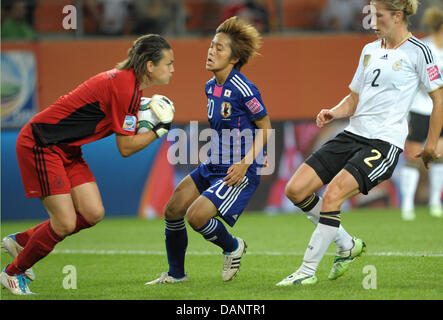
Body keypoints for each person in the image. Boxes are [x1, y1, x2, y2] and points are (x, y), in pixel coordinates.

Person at [277, 0, 443, 286]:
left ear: (398, 16)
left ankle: (306, 272)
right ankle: (347, 244)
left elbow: (438, 98)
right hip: (353, 134)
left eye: (378, 16)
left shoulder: (421, 51)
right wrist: (334, 111)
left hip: (384, 144)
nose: (373, 22)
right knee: (295, 190)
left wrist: (430, 144)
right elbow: (354, 98)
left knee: (332, 197)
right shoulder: (368, 51)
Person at [0, 34, 176, 295]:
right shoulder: (125, 87)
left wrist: (146, 111)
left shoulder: (128, 85)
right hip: (42, 144)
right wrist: (159, 130)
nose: (173, 69)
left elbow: (122, 112)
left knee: (92, 213)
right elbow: (126, 148)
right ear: (150, 65)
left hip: (67, 149)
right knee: (64, 223)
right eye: (169, 63)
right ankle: (12, 273)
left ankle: (21, 241)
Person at [146, 16, 271, 284]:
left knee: (196, 216)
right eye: (212, 45)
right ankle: (176, 275)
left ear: (234, 58)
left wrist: (245, 164)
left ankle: (233, 246)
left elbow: (265, 128)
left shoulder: (244, 89)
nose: (211, 52)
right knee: (173, 208)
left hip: (239, 170)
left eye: (219, 48)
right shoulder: (210, 87)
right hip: (214, 164)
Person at [400, 6, 443, 221]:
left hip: (440, 110)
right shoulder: (424, 49)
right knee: (413, 156)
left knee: (438, 155)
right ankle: (407, 204)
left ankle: (435, 201)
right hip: (419, 108)